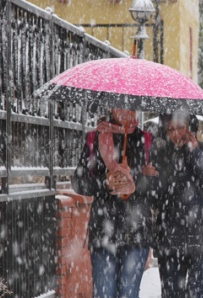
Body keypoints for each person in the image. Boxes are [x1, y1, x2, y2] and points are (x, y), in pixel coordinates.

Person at [72, 108, 158, 298]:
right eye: (121, 105)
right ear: (112, 108)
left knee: (128, 293)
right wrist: (106, 181)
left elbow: (158, 188)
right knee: (104, 293)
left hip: (136, 232)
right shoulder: (95, 138)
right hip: (104, 231)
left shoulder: (148, 141)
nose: (128, 110)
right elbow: (79, 182)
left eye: (131, 105)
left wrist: (135, 181)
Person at [150, 113, 203, 298]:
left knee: (197, 294)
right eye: (170, 129)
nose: (176, 134)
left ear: (190, 127)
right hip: (170, 240)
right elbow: (155, 197)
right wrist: (150, 177)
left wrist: (195, 152)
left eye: (180, 127)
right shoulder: (161, 155)